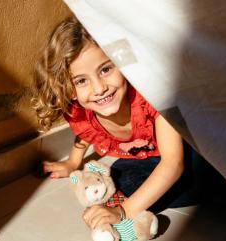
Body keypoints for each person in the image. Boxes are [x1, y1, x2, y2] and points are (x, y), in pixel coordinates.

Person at [32, 16, 202, 230]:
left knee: (196, 175)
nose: (99, 88)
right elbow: (86, 132)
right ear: (67, 88)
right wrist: (72, 163)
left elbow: (173, 164)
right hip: (149, 157)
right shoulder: (80, 112)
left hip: (190, 151)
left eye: (105, 70)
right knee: (118, 179)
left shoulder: (152, 98)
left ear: (125, 65)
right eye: (81, 81)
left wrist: (123, 212)